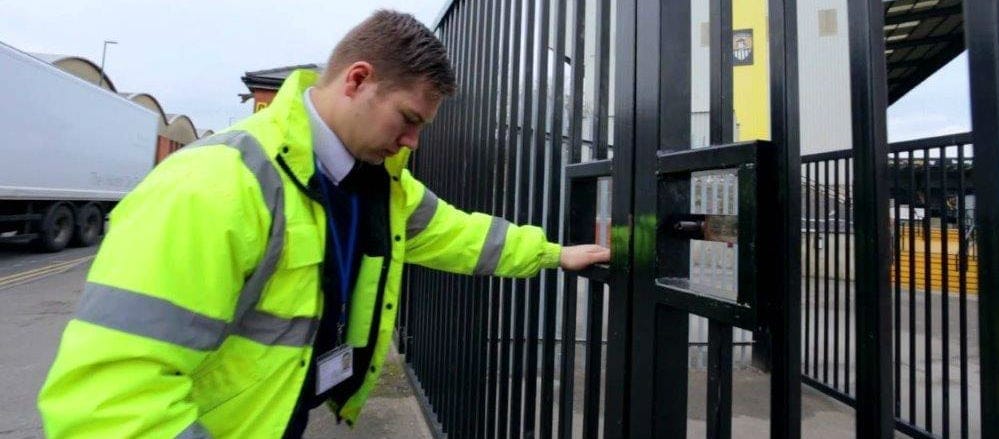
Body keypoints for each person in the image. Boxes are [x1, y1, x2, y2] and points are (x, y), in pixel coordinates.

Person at [37, 9, 609, 438]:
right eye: (409, 118)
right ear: (356, 80)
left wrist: (555, 254)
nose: (413, 140)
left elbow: (457, 233)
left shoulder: (375, 180)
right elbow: (111, 402)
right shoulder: (213, 185)